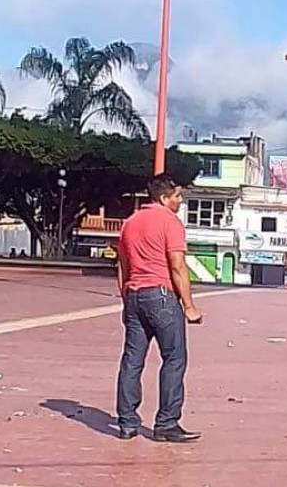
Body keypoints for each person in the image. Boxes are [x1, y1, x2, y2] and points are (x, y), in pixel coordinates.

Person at [115, 174, 203, 443]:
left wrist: (125, 299)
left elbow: (122, 266)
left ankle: (127, 422)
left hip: (135, 296)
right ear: (164, 198)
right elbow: (177, 266)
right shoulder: (170, 222)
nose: (180, 201)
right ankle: (166, 423)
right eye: (177, 197)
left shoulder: (130, 223)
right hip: (162, 296)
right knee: (174, 358)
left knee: (132, 360)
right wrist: (189, 306)